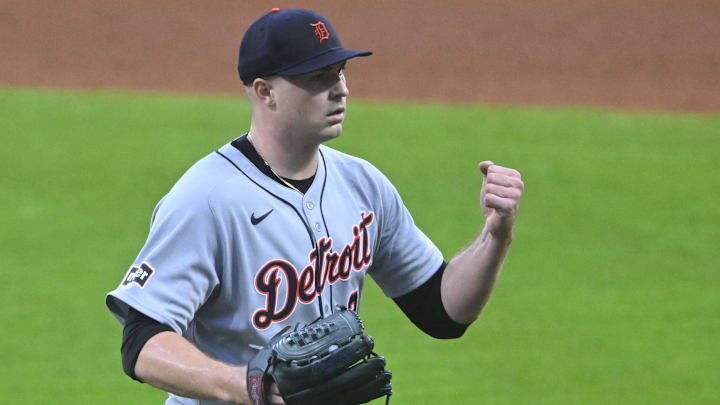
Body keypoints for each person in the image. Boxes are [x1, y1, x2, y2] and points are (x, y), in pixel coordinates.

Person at [106, 8, 524, 405]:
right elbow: (142, 341)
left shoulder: (362, 185)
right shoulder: (206, 200)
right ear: (265, 92)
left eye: (340, 72)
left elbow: (441, 311)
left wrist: (495, 235)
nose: (340, 88)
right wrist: (247, 387)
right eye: (317, 77)